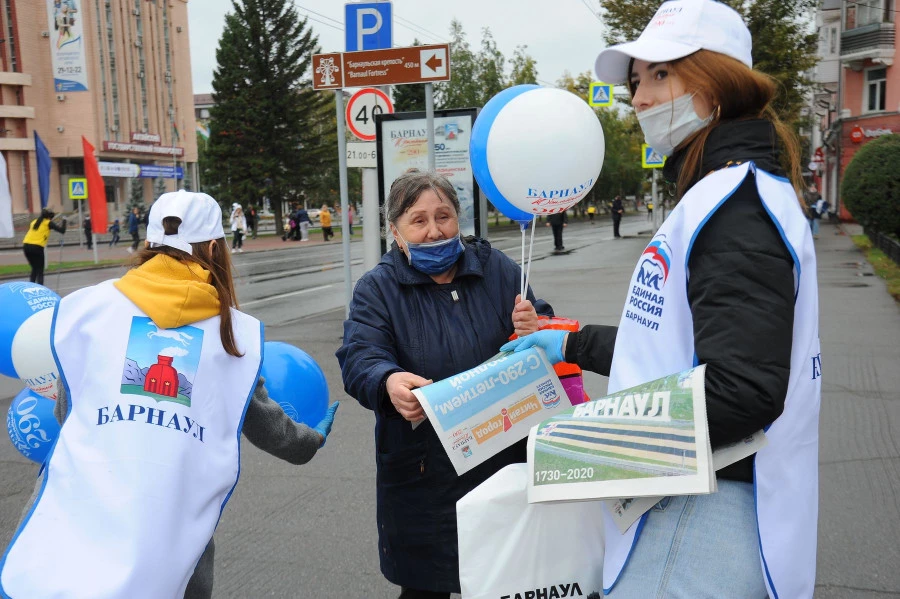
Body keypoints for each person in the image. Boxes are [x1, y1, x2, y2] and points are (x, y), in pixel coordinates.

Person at [503, 1, 820, 597]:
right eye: (635, 82)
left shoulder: (734, 204)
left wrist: (585, 444)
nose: (640, 98)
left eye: (660, 74)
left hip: (700, 516)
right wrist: (570, 342)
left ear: (716, 82)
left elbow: (743, 389)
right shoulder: (727, 193)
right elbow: (680, 347)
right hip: (691, 501)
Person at [0, 190, 339, 598]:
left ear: (149, 244)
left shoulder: (87, 309)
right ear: (214, 247)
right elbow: (272, 431)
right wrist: (310, 440)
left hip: (81, 513)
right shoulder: (231, 333)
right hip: (171, 531)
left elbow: (67, 414)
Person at [336, 170, 552, 598]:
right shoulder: (377, 289)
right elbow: (360, 354)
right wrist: (388, 380)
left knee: (509, 577)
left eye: (444, 216)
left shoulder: (497, 269)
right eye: (418, 220)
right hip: (424, 470)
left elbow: (543, 321)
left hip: (503, 456)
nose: (435, 230)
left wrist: (537, 322)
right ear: (395, 232)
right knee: (427, 586)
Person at [21, 208, 67, 285]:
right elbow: (62, 230)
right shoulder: (48, 223)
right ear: (49, 217)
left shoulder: (34, 222)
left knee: (34, 268)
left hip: (26, 246)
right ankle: (40, 288)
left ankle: (31, 286)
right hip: (37, 247)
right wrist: (64, 221)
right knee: (40, 270)